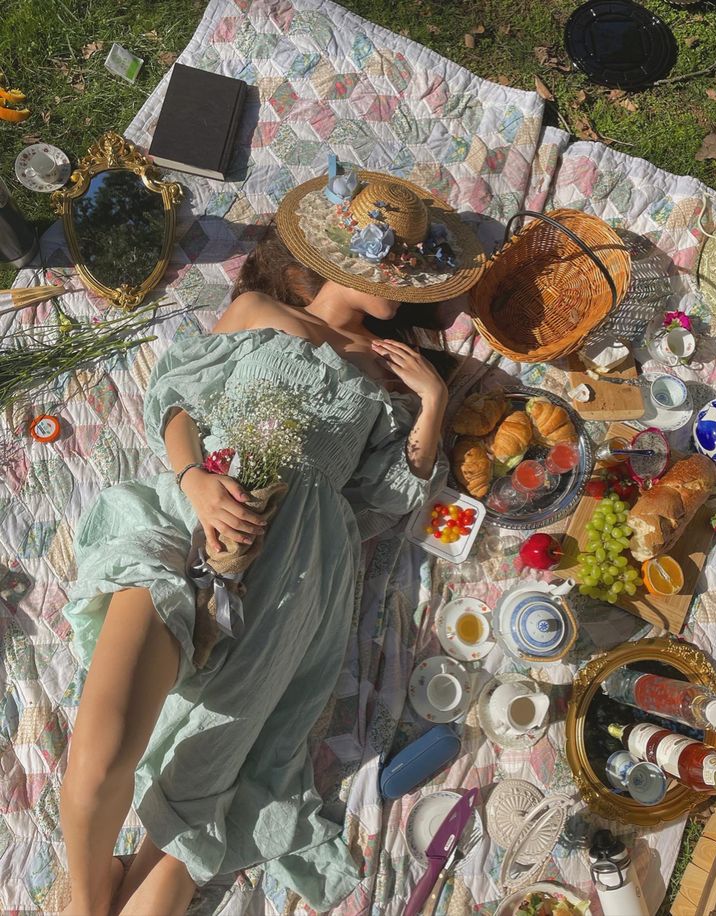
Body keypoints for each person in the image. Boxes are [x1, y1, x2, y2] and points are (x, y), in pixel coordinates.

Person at [59, 168, 485, 916]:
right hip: (193, 524)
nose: (409, 286)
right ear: (344, 260)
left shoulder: (384, 374)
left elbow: (392, 500)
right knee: (95, 767)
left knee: (201, 793)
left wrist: (433, 401)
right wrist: (191, 477)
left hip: (294, 584)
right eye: (400, 267)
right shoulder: (256, 310)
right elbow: (177, 397)